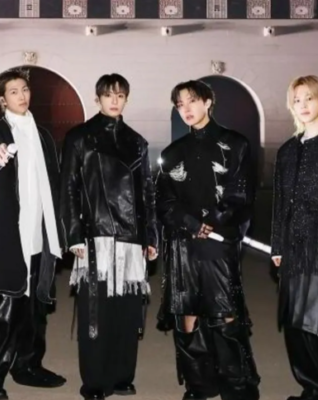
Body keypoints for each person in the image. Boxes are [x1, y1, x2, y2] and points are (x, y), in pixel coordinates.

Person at [155, 80, 260, 400]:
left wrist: (212, 222)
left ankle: (237, 386)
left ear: (208, 102)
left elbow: (241, 194)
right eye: (180, 104)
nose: (186, 109)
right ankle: (199, 386)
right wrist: (190, 223)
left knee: (225, 312)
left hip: (219, 241)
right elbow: (163, 201)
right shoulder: (172, 153)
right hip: (184, 243)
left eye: (192, 101)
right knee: (188, 315)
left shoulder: (235, 144)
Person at [60, 73, 157, 400]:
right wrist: (74, 234)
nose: (114, 101)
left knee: (127, 311)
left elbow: (147, 192)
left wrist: (151, 237)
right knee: (96, 313)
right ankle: (95, 381)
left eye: (120, 95)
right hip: (95, 235)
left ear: (126, 98)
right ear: (97, 98)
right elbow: (68, 188)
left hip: (131, 238)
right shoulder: (79, 137)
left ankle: (122, 376)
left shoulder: (137, 141)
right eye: (108, 95)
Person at [0, 68, 66, 400]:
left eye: (25, 89)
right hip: (9, 235)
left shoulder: (42, 136)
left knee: (34, 309)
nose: (22, 95)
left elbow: (54, 183)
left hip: (41, 233)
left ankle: (28, 366)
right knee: (1, 309)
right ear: (2, 99)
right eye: (13, 91)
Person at [271, 75, 318, 400]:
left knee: (314, 318)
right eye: (297, 100)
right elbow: (279, 201)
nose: (303, 105)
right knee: (295, 321)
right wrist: (277, 245)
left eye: (310, 98)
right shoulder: (287, 150)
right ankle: (310, 386)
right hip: (292, 247)